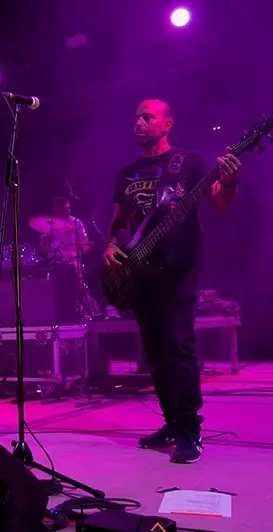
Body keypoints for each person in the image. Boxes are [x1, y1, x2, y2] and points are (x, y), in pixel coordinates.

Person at [103, 99, 241, 463]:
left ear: (166, 125)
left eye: (147, 117)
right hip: (139, 271)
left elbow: (221, 205)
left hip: (180, 269)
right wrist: (109, 249)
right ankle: (171, 423)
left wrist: (231, 181)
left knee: (180, 345)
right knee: (155, 353)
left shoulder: (189, 162)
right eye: (135, 117)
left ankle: (190, 428)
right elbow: (118, 224)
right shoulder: (127, 174)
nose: (139, 122)